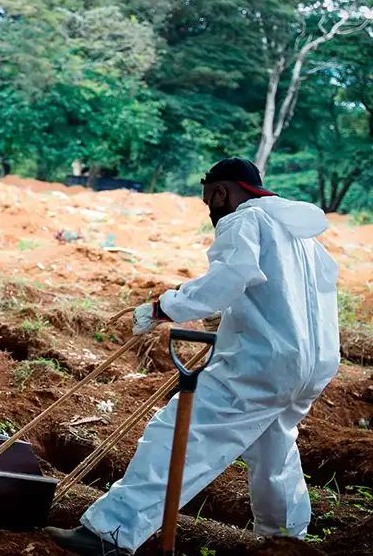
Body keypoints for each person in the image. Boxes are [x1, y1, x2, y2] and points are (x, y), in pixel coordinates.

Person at [45, 158, 341, 556]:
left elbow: (227, 279)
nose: (210, 209)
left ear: (221, 191)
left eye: (209, 200)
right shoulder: (303, 238)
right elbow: (295, 299)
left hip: (262, 365)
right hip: (312, 365)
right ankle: (287, 543)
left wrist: (161, 308)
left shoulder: (243, 220)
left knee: (180, 436)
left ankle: (109, 534)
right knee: (274, 454)